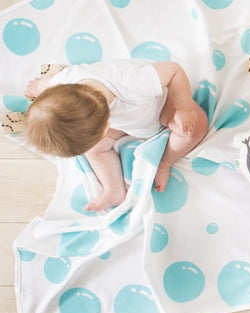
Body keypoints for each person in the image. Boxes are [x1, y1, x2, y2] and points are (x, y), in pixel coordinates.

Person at [24, 59, 209, 212]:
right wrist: (38, 87)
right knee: (94, 151)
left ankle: (165, 161)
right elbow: (47, 87)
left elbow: (173, 70)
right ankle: (114, 191)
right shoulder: (61, 84)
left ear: (105, 127)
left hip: (159, 106)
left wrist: (184, 109)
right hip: (124, 121)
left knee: (195, 128)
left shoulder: (132, 83)